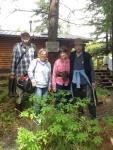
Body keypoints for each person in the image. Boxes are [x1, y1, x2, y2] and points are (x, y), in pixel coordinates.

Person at [9, 31, 37, 118]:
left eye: (27, 35)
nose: (25, 36)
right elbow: (13, 60)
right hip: (20, 74)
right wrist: (12, 73)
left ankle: (34, 110)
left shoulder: (33, 46)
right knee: (19, 93)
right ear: (21, 36)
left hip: (31, 74)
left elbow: (36, 60)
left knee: (32, 91)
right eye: (23, 35)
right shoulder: (16, 46)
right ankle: (18, 111)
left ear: (29, 36)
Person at [69, 38, 96, 119]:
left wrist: (93, 80)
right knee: (77, 101)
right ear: (74, 46)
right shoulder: (72, 55)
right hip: (75, 81)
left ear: (82, 46)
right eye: (76, 45)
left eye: (80, 45)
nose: (78, 47)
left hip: (85, 82)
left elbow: (91, 68)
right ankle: (80, 116)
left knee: (90, 101)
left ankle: (93, 118)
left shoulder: (87, 55)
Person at [28, 48, 51, 119]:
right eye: (42, 54)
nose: (43, 56)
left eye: (45, 54)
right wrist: (33, 80)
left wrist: (49, 85)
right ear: (39, 55)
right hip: (37, 85)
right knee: (37, 102)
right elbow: (29, 71)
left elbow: (49, 75)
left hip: (45, 86)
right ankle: (37, 116)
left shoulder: (48, 64)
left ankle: (42, 115)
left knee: (44, 102)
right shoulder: (35, 61)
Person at [52, 46, 70, 111]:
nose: (62, 54)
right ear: (60, 54)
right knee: (58, 98)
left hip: (67, 82)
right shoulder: (57, 62)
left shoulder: (69, 61)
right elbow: (54, 74)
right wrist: (54, 86)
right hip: (59, 82)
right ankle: (57, 111)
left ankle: (66, 111)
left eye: (64, 53)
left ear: (66, 53)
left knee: (67, 98)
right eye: (61, 53)